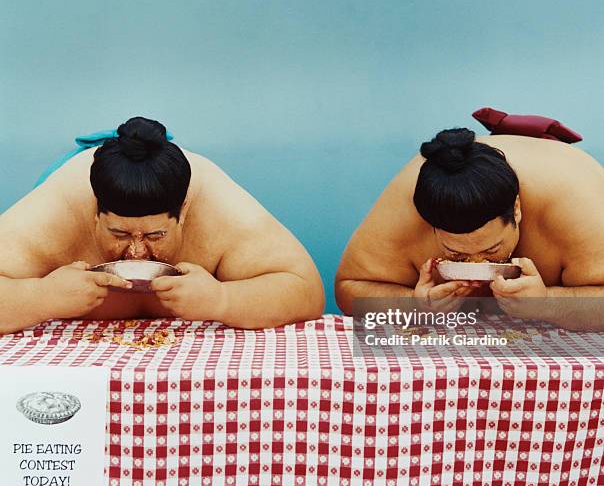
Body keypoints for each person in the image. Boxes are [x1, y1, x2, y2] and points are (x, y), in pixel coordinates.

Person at [0, 117, 325, 333]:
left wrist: (223, 299)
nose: (137, 251)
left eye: (156, 235)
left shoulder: (219, 207)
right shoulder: (56, 209)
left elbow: (306, 290)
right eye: (118, 233)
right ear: (95, 215)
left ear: (184, 214)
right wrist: (38, 296)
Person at [335, 128, 604, 330]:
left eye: (492, 248)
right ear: (429, 225)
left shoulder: (577, 201)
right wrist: (413, 305)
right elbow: (350, 291)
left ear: (518, 209)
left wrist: (548, 303)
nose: (478, 262)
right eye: (455, 252)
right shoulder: (408, 205)